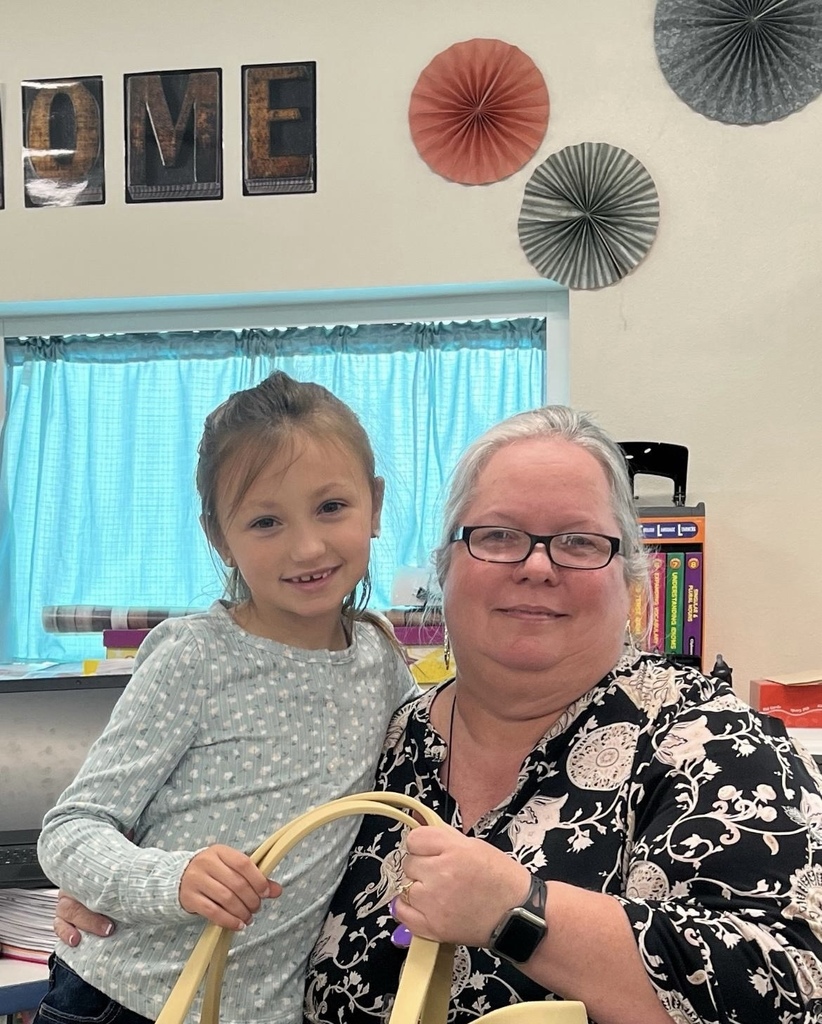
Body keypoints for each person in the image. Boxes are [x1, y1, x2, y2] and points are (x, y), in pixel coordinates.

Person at [56, 406, 822, 1024]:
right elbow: (187, 812)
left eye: (581, 542)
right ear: (445, 567)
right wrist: (133, 878)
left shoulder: (718, 746)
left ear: (634, 584)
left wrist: (521, 913)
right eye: (497, 535)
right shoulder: (392, 729)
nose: (536, 564)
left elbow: (795, 989)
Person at [35, 371, 418, 1024]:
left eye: (332, 507)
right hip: (123, 1000)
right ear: (220, 537)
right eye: (266, 520)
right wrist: (170, 880)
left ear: (375, 505)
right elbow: (70, 832)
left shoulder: (382, 660)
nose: (307, 546)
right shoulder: (194, 655)